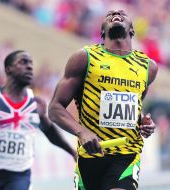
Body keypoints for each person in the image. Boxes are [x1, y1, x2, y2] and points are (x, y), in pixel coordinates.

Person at [48, 10, 158, 190]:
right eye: (109, 15)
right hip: (91, 155)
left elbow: (133, 107)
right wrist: (81, 132)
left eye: (122, 13)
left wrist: (143, 122)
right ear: (102, 33)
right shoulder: (84, 58)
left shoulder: (148, 67)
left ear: (132, 30)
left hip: (127, 154)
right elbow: (54, 108)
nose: (116, 13)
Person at [0, 50, 76, 190]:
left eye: (31, 63)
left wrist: (72, 152)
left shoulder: (37, 104)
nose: (29, 67)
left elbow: (51, 132)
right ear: (8, 69)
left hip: (20, 175)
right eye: (23, 62)